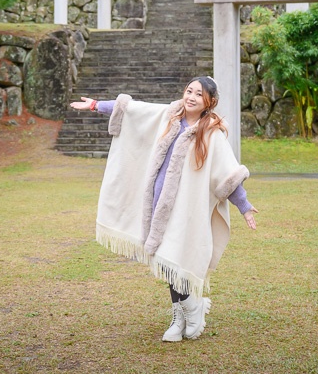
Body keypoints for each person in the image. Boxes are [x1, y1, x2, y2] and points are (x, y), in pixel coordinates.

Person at [70, 76, 258, 342]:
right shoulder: (169, 116)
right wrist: (96, 106)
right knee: (166, 260)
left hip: (184, 209)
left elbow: (228, 173)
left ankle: (192, 309)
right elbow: (134, 110)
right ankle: (183, 313)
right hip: (157, 206)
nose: (191, 97)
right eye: (188, 91)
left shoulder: (211, 133)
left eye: (198, 94)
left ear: (209, 102)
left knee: (174, 258)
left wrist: (245, 206)